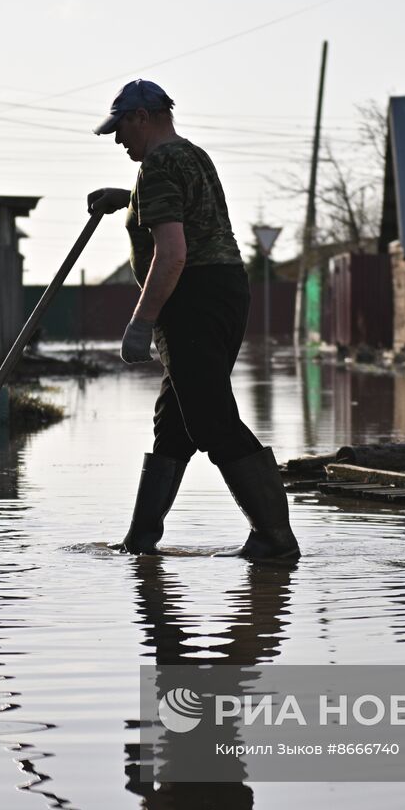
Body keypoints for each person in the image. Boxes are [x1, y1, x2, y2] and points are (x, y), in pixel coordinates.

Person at [88, 79, 299, 560]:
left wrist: (142, 322)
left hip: (191, 299)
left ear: (142, 117)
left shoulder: (159, 165)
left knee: (209, 419)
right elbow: (192, 216)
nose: (119, 140)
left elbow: (173, 253)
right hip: (225, 290)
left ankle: (276, 540)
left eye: (121, 127)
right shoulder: (189, 155)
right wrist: (129, 199)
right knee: (175, 424)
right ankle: (140, 543)